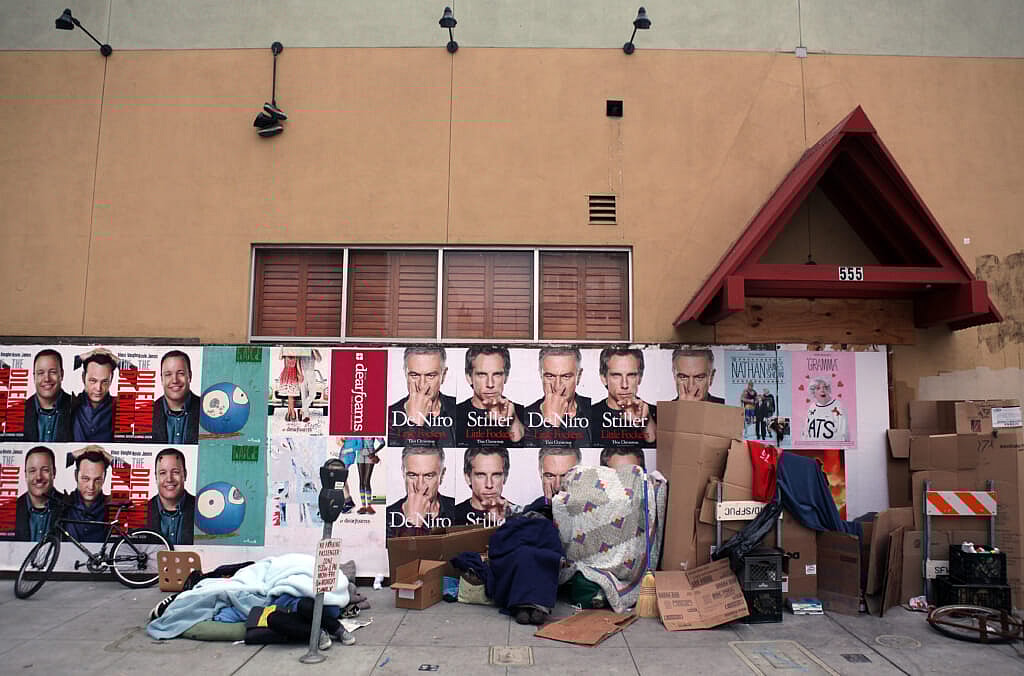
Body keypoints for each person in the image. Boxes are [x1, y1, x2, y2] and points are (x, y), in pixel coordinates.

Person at [455, 346, 525, 447]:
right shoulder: (455, 414)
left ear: (506, 377)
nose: (490, 384)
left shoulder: (523, 413)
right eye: (482, 374)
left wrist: (512, 422)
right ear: (469, 377)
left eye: (497, 374)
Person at [524, 347, 592, 447]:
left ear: (579, 376)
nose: (557, 386)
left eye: (566, 376)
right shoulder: (525, 419)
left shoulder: (594, 410)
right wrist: (551, 424)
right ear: (540, 375)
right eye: (550, 376)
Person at [387, 347, 456, 447]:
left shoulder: (459, 410)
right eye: (414, 375)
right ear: (405, 374)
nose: (422, 385)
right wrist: (416, 423)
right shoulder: (389, 418)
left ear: (443, 375)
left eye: (430, 375)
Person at [590, 348, 656, 447]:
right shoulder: (589, 416)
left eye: (631, 375)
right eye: (616, 375)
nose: (624, 385)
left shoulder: (657, 413)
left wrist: (647, 422)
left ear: (640, 378)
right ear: (604, 378)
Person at [386, 447, 456, 537]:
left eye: (429, 476)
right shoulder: (386, 518)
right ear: (403, 473)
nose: (420, 486)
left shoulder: (456, 510)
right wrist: (412, 523)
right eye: (412, 475)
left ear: (442, 475)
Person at [452, 447, 521, 528]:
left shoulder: (519, 517)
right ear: (468, 477)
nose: (489, 485)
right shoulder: (452, 516)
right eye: (481, 475)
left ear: (505, 477)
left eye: (496, 475)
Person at [145, 448, 195, 545]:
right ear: (156, 477)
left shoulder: (201, 509)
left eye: (175, 472)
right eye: (163, 473)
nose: (169, 479)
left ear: (185, 474)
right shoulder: (140, 513)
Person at [14, 446, 64, 541]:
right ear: (26, 475)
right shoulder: (7, 512)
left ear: (54, 472)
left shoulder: (71, 508)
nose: (38, 477)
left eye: (45, 470)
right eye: (32, 471)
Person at [23, 349, 73, 442]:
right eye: (41, 373)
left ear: (61, 374)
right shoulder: (16, 412)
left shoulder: (78, 408)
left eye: (52, 372)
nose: (46, 379)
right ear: (34, 377)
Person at [152, 350, 201, 444]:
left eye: (180, 373)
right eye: (168, 374)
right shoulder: (144, 415)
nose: (174, 380)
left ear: (189, 376)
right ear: (162, 379)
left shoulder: (207, 411)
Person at [65, 446, 111, 541]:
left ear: (105, 478)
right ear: (75, 475)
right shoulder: (63, 502)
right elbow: (51, 466)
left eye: (98, 479)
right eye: (85, 479)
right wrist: (74, 455)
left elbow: (136, 480)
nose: (91, 486)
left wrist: (110, 458)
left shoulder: (111, 505)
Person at [72, 349, 118, 442]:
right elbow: (59, 368)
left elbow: (141, 379)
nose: (98, 388)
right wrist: (82, 357)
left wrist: (118, 361)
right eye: (93, 381)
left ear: (111, 379)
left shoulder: (120, 407)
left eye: (105, 381)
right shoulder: (70, 403)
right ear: (83, 377)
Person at [802, 377, 848, 442]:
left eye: (825, 387)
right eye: (818, 388)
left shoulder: (838, 406)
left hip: (832, 449)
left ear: (829, 390)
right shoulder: (812, 407)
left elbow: (843, 434)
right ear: (813, 392)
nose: (822, 390)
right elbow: (806, 431)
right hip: (813, 449)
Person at [278, 354, 303, 422]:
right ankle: (292, 413)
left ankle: (291, 413)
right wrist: (281, 348)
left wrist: (300, 374)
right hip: (286, 374)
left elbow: (298, 366)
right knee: (290, 395)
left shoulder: (297, 356)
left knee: (291, 395)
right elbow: (280, 357)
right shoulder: (286, 355)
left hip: (293, 374)